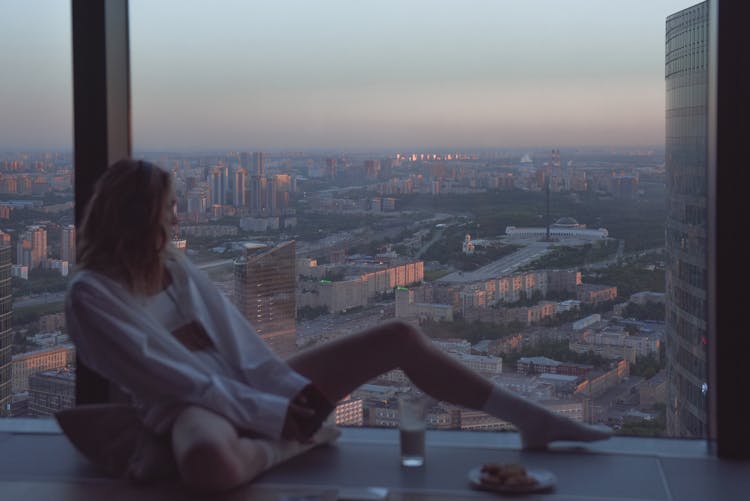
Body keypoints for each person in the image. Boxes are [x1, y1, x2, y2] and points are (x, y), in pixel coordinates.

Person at [65, 158, 611, 492]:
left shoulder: (172, 269)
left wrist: (280, 395)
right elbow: (171, 380)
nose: (178, 220)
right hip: (185, 409)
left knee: (399, 337)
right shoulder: (91, 297)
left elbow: (242, 346)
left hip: (245, 387)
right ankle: (298, 442)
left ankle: (529, 419)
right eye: (169, 211)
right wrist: (277, 415)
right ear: (138, 218)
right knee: (212, 465)